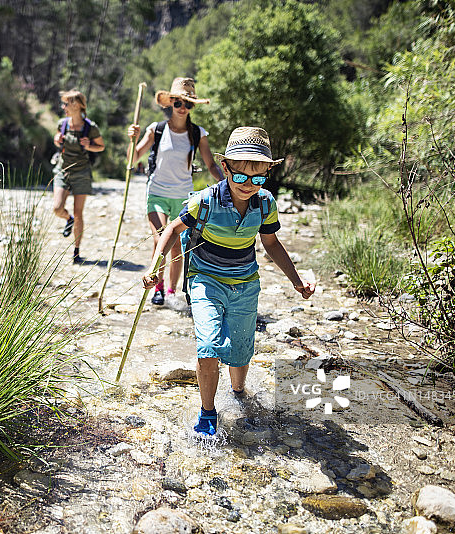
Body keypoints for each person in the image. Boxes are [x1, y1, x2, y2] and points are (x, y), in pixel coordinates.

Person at [142, 127, 315, 437]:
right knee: (208, 346)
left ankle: (237, 394)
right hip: (205, 280)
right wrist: (155, 266)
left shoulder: (264, 204)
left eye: (258, 178)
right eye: (241, 177)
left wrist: (296, 281)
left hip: (245, 283)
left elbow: (271, 244)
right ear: (226, 168)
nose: (249, 185)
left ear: (267, 174)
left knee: (239, 350)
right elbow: (171, 230)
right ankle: (208, 412)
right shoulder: (204, 201)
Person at [127, 78, 223, 306]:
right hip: (157, 193)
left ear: (192, 107)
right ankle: (157, 288)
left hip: (183, 197)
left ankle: (171, 291)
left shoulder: (199, 134)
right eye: (178, 102)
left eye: (188, 104)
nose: (182, 107)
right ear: (171, 103)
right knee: (160, 239)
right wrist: (132, 138)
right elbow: (132, 159)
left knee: (178, 244)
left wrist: (227, 184)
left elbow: (211, 165)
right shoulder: (156, 130)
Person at [52, 90, 105, 263]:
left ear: (77, 106)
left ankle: (76, 251)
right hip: (63, 170)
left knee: (79, 212)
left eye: (66, 104)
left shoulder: (90, 127)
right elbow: (57, 141)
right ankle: (69, 220)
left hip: (82, 173)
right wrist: (57, 139)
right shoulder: (62, 123)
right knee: (57, 208)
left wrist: (89, 146)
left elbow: (101, 147)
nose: (63, 107)